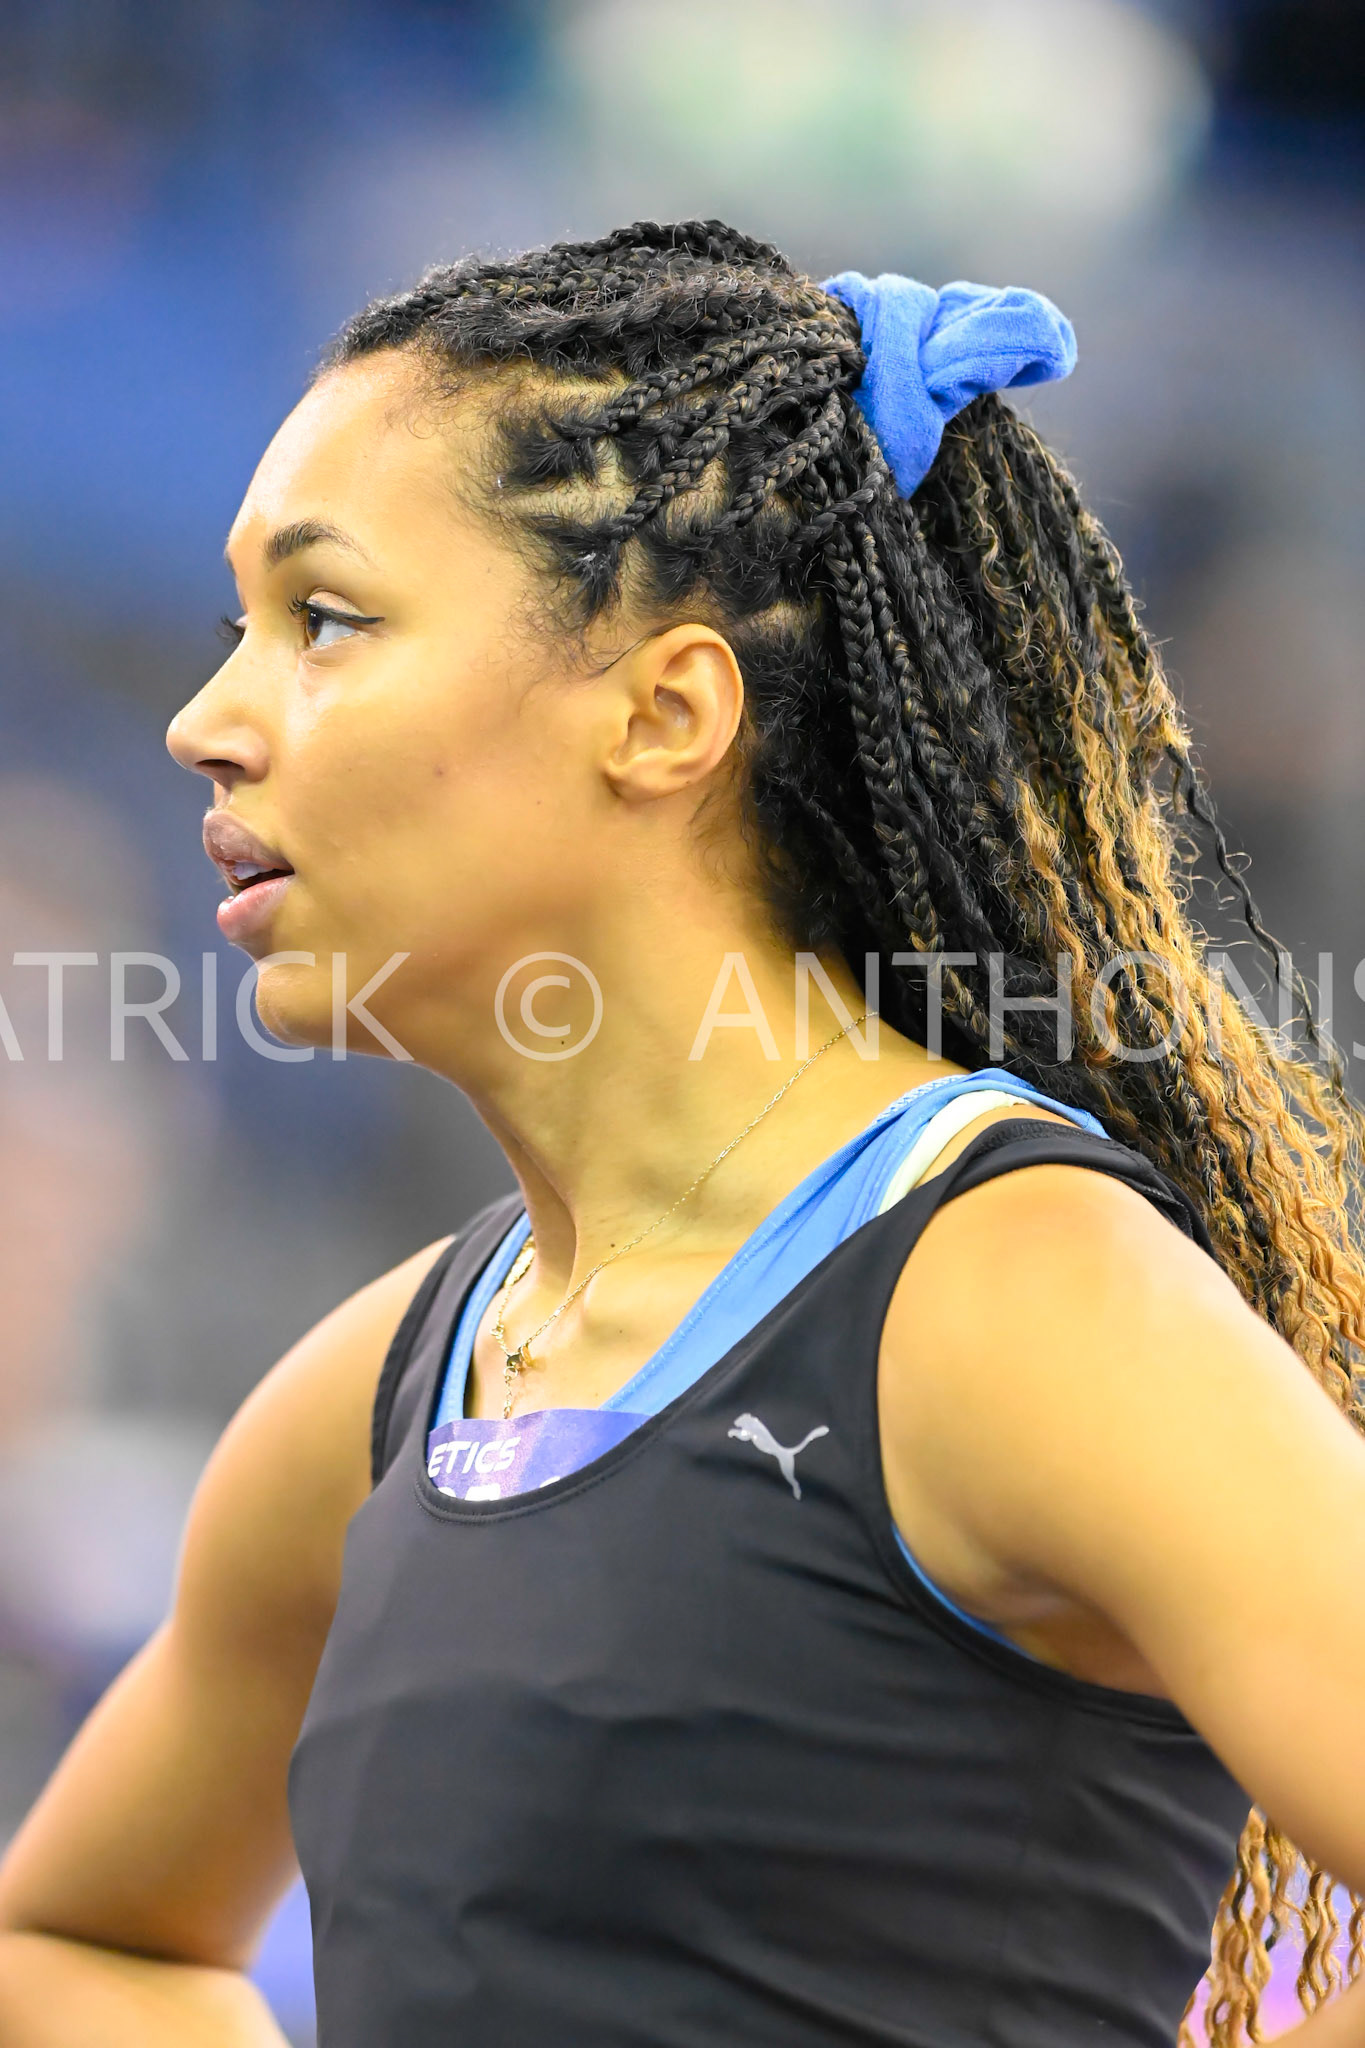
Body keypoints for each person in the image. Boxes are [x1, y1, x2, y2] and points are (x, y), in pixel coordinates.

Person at [1, 219, 1363, 2048]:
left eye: (324, 620)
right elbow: (86, 1945)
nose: (203, 723)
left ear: (663, 712)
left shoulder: (1018, 1303)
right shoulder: (382, 1401)